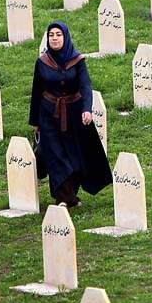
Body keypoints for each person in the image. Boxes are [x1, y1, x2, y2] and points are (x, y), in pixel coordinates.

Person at [29, 22, 112, 207]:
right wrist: (35, 121)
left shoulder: (78, 61)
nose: (55, 38)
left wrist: (87, 109)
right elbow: (36, 91)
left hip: (74, 114)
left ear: (65, 37)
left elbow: (85, 86)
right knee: (56, 156)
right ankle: (63, 198)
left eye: (59, 34)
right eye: (51, 35)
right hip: (48, 115)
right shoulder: (42, 63)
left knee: (73, 156)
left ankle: (71, 195)